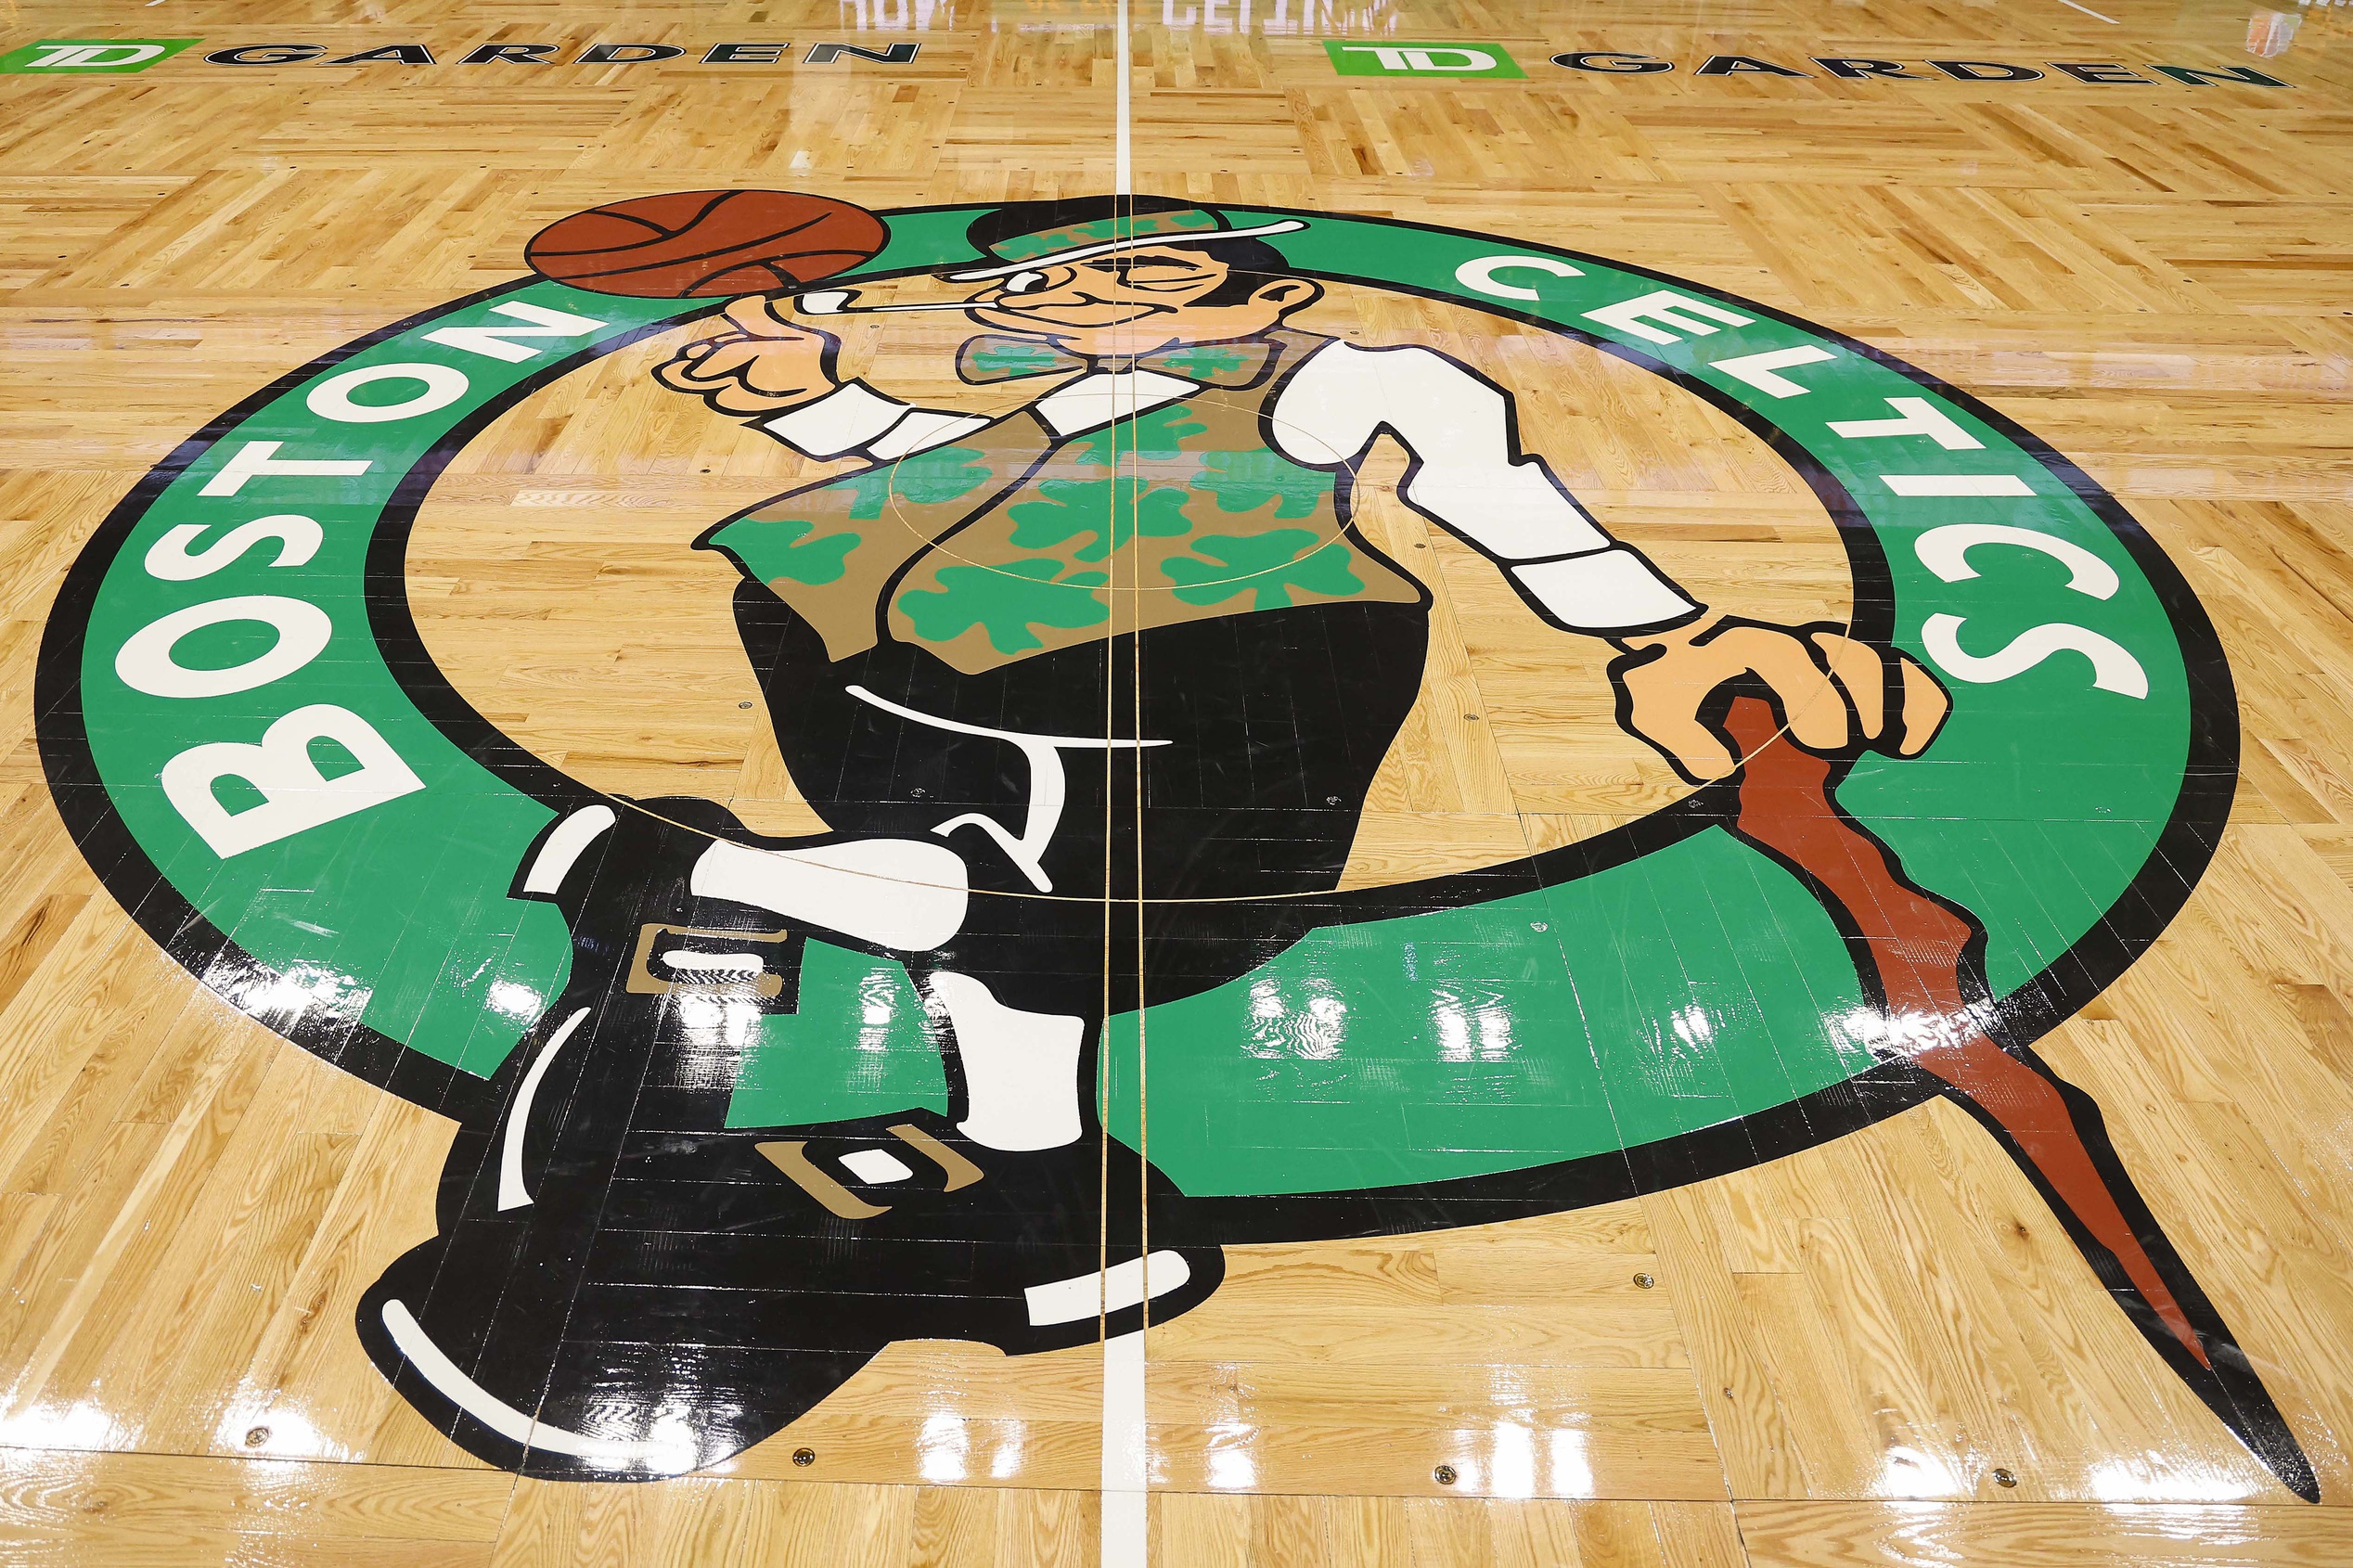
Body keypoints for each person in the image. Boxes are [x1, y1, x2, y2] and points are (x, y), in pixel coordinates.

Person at [358, 196, 1949, 1478]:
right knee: (994, 925)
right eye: (1059, 289)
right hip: (926, 698)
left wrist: (1665, 626)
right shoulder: (1050, 407)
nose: (1089, 304)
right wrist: (824, 398)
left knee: (1021, 901)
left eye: (1148, 275)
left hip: (1210, 715)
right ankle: (1026, 1156)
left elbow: (1502, 487)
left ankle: (680, 869)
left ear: (1255, 301)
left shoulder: (1341, 382)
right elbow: (943, 477)